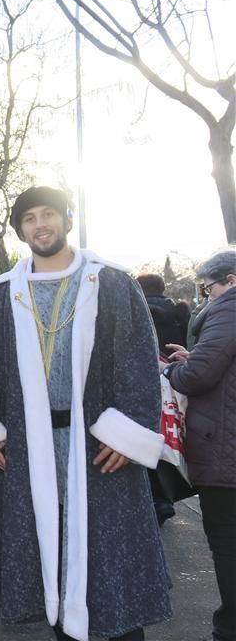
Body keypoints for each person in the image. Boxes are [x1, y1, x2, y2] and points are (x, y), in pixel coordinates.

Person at [0, 186, 170, 641]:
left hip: (98, 451)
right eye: (30, 218)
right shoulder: (0, 296)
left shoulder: (111, 282)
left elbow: (138, 363)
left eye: (49, 214)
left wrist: (127, 433)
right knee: (50, 566)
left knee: (109, 574)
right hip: (28, 450)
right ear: (20, 230)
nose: (41, 224)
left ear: (67, 219)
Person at [163, 249, 235, 641]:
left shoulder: (230, 307)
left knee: (227, 544)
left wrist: (174, 369)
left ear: (232, 280)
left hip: (225, 450)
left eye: (209, 288)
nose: (206, 297)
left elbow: (200, 376)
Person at [136, 272, 191, 525]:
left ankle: (155, 498)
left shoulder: (138, 311)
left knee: (147, 438)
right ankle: (167, 497)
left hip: (146, 382)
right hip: (177, 380)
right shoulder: (180, 313)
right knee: (173, 439)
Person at [137, 273, 191, 356]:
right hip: (176, 363)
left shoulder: (133, 313)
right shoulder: (179, 312)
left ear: (138, 288)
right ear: (162, 288)